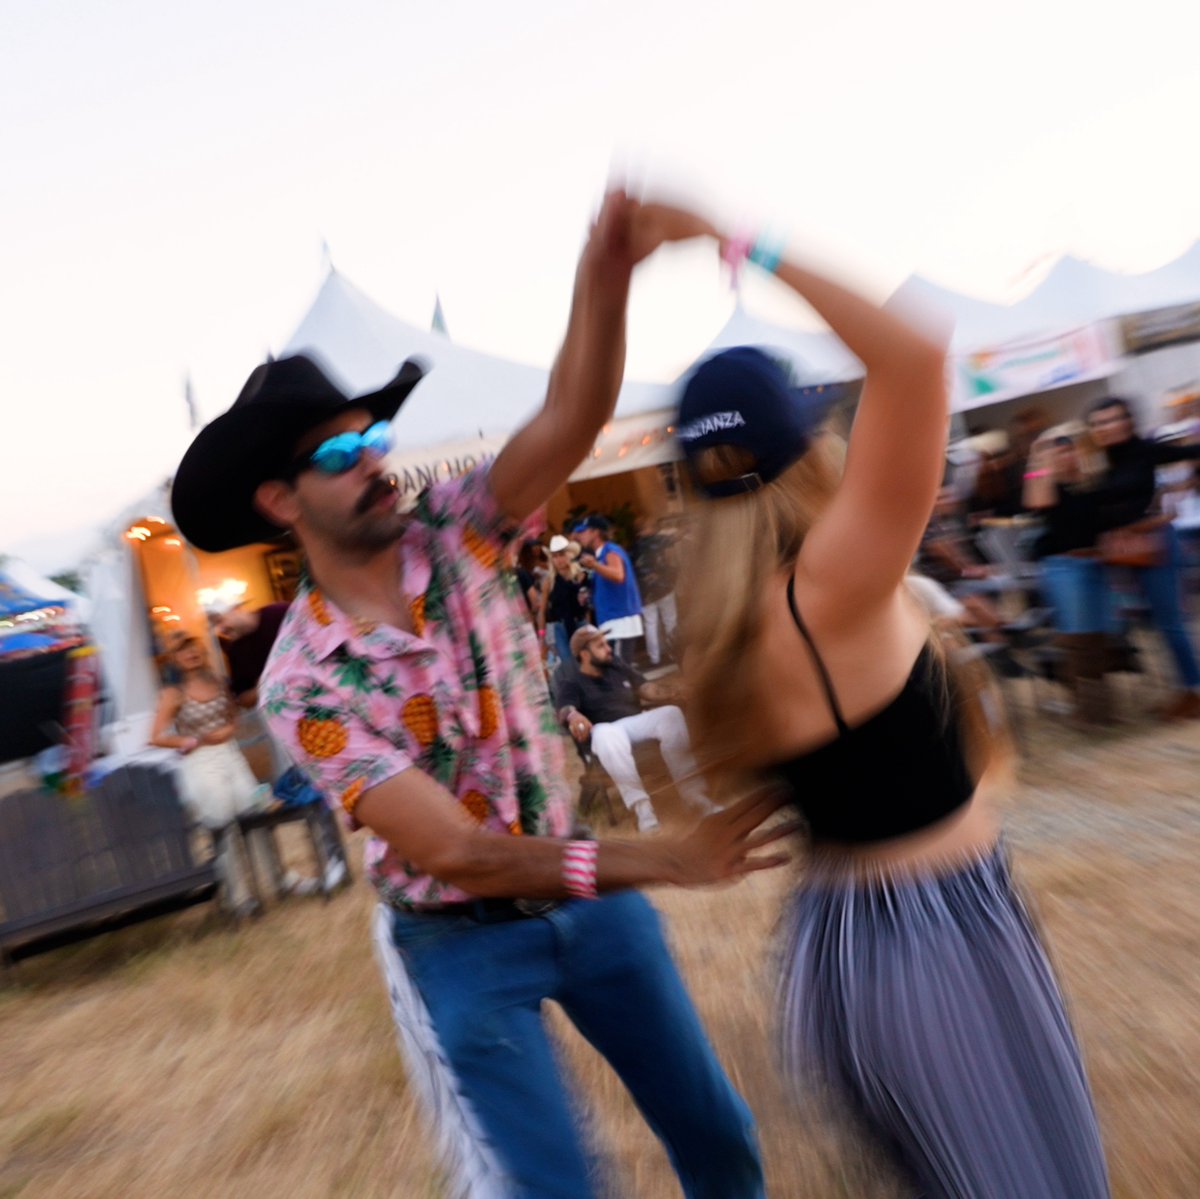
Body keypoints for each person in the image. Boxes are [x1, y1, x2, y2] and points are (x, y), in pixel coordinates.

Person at [170, 194, 787, 1199]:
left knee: (718, 1135)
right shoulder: (302, 681)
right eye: (336, 454)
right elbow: (454, 849)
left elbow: (574, 415)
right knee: (556, 1187)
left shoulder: (464, 527)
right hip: (460, 943)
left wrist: (605, 279)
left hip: (595, 906)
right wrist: (665, 856)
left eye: (369, 435)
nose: (371, 457)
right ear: (281, 502)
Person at [672, 224, 1110, 1197]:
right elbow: (913, 351)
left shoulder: (723, 626)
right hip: (936, 946)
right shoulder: (834, 585)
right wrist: (745, 243)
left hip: (842, 952)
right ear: (805, 446)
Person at [1084, 395, 1200, 720]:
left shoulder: (1144, 450)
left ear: (1127, 422)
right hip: (1124, 552)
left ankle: (1194, 691)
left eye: (1111, 420)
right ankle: (1184, 688)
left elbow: (1191, 452)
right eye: (1097, 423)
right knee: (1154, 624)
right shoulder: (1097, 462)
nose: (1104, 428)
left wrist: (1185, 486)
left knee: (1170, 622)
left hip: (1155, 542)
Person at [148, 634, 272, 915]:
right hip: (201, 761)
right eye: (182, 651)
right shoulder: (173, 693)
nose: (190, 654)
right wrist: (192, 741)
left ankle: (274, 879)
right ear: (174, 659)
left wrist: (228, 730)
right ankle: (240, 897)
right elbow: (155, 736)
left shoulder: (217, 681)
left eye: (194, 649)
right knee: (223, 826)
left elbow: (233, 716)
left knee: (255, 813)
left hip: (231, 755)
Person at [556, 624, 714, 833]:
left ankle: (695, 796)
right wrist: (574, 716)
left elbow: (646, 688)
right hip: (606, 731)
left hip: (635, 723)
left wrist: (674, 693)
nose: (608, 648)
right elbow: (565, 709)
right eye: (600, 645)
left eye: (606, 643)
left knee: (671, 713)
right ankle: (643, 810)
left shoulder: (616, 666)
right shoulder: (572, 682)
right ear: (585, 654)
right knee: (605, 734)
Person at [574, 514, 643, 658]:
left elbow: (618, 575)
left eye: (583, 532)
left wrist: (594, 565)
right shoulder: (600, 555)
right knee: (618, 667)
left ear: (596, 532)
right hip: (612, 619)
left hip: (619, 619)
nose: (579, 536)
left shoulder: (610, 551)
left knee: (619, 666)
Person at [211, 600, 291, 708]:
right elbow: (244, 700)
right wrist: (264, 686)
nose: (221, 629)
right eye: (215, 625)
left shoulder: (279, 612)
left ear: (235, 609)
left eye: (221, 621)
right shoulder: (236, 651)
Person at [632, 514, 679, 665]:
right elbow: (673, 539)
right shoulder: (655, 540)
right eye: (650, 526)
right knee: (670, 621)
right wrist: (685, 529)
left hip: (645, 592)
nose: (654, 529)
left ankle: (655, 658)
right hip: (662, 587)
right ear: (643, 530)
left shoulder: (633, 547)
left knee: (650, 624)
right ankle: (676, 654)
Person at [540, 533, 588, 668]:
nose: (559, 560)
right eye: (554, 556)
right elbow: (542, 612)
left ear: (569, 555)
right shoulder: (549, 581)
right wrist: (542, 636)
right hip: (560, 627)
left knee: (587, 660)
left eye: (561, 555)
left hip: (580, 622)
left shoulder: (580, 575)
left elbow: (586, 605)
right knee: (568, 664)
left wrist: (588, 626)